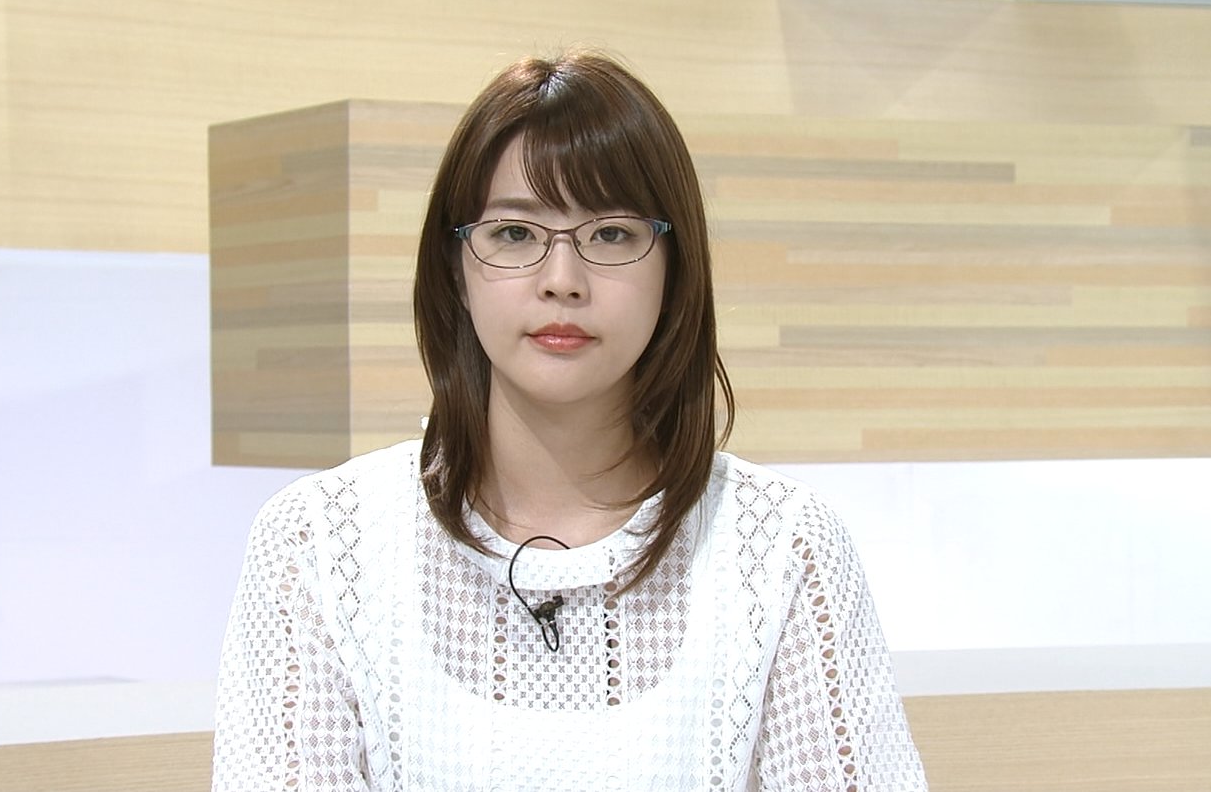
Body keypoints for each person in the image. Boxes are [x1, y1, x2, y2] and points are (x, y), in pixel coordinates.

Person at [212, 49, 928, 792]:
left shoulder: (784, 549)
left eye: (611, 234)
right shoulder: (319, 544)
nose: (562, 281)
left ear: (674, 267)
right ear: (455, 267)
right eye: (515, 233)